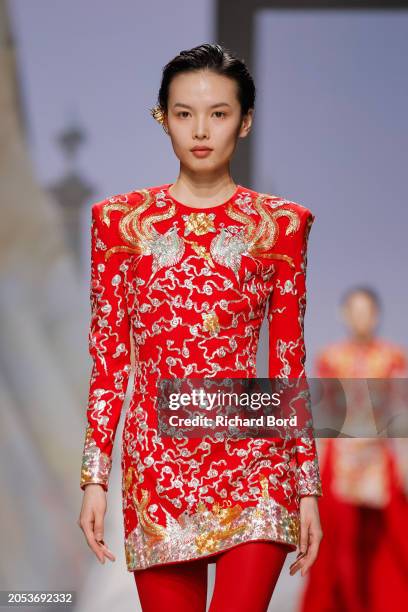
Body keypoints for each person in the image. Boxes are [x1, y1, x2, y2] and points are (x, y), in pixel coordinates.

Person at [77, 43, 323, 611]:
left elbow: (287, 361)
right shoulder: (119, 224)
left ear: (246, 121)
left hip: (255, 465)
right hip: (156, 466)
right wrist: (95, 477)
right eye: (184, 113)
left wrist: (306, 487)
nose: (201, 130)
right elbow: (110, 361)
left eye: (219, 113)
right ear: (164, 119)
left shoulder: (281, 225)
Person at [299, 286, 408, 612]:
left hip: (378, 464)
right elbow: (323, 414)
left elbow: (400, 412)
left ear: (376, 314)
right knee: (337, 551)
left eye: (367, 310)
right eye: (355, 310)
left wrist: (404, 461)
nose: (362, 317)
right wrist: (311, 472)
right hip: (341, 464)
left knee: (388, 547)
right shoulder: (332, 358)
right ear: (345, 315)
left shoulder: (392, 357)